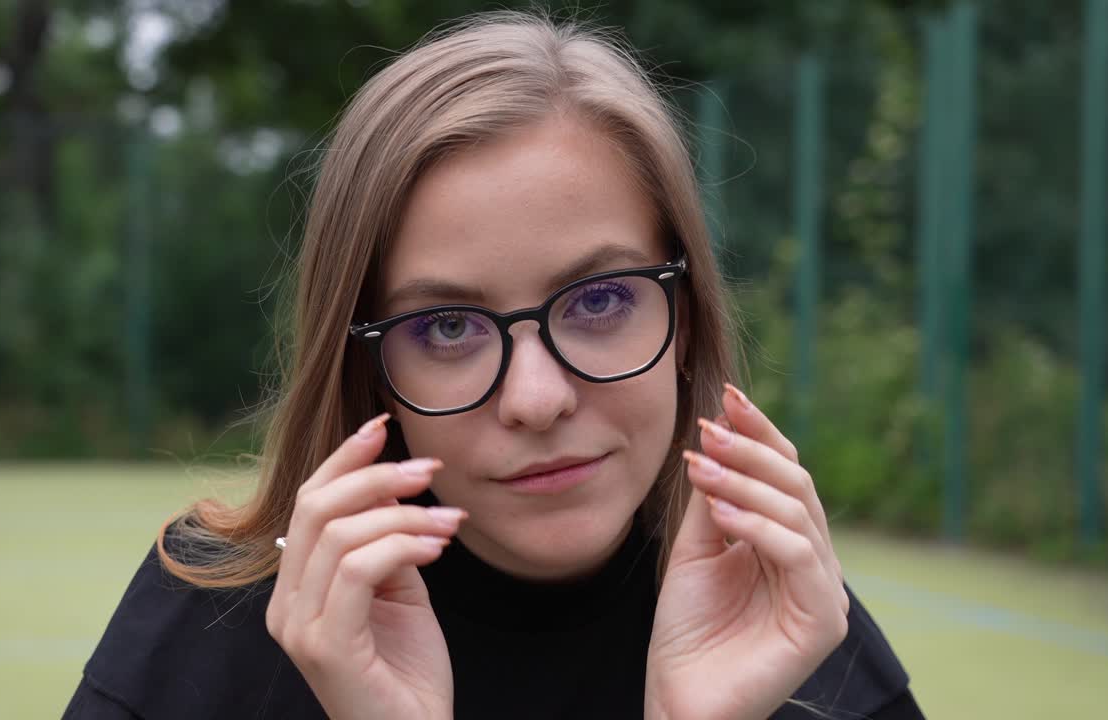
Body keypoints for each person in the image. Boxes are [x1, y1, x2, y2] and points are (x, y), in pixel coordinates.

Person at [64, 11, 924, 720]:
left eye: (599, 303)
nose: (537, 398)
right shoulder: (208, 623)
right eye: (445, 326)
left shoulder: (795, 630)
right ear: (363, 366)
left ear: (687, 318)